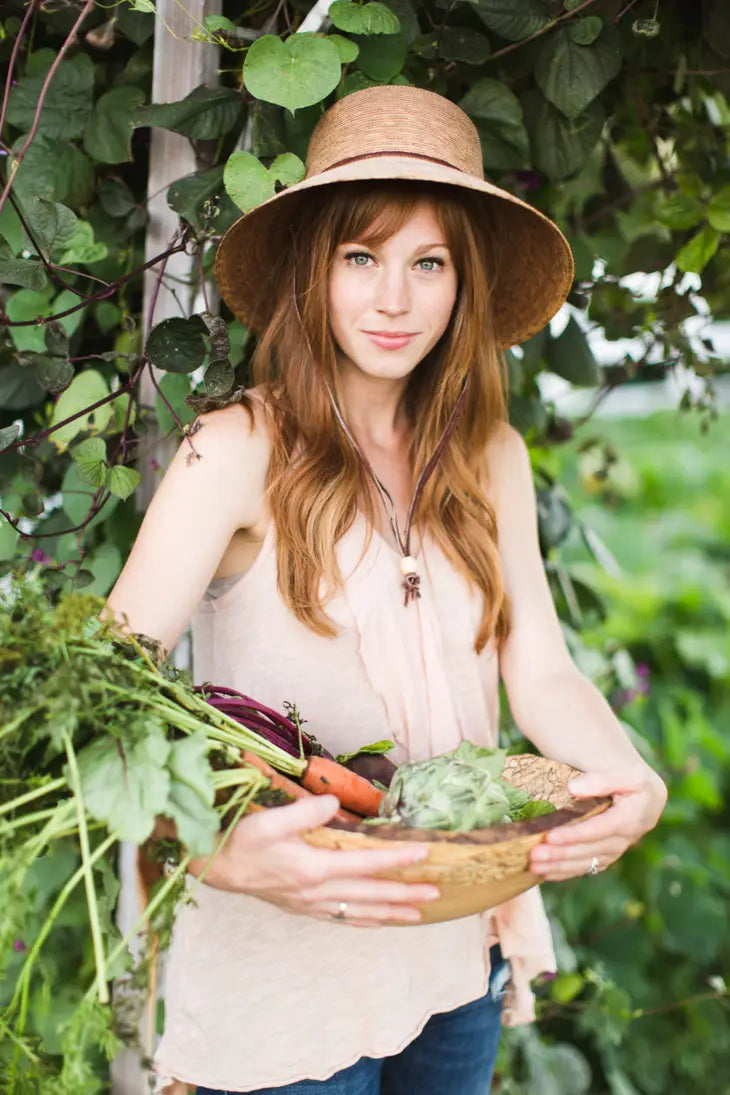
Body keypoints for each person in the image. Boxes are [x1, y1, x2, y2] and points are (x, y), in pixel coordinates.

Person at [102, 85, 667, 1095]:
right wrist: (217, 854)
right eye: (360, 258)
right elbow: (102, 712)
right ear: (311, 272)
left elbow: (535, 665)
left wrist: (627, 776)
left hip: (454, 952)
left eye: (428, 263)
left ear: (463, 283)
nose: (392, 300)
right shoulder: (231, 452)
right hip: (283, 976)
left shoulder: (488, 453)